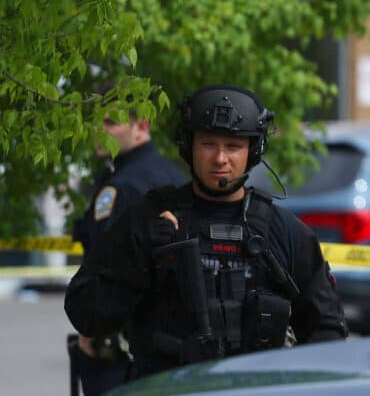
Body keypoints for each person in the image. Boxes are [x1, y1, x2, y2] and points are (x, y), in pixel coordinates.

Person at [65, 84, 348, 381]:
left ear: (253, 151)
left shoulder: (284, 231)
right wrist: (140, 258)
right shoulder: (147, 219)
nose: (220, 159)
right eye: (208, 144)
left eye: (233, 146)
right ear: (189, 146)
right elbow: (85, 312)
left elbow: (327, 329)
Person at [69, 89, 185, 396]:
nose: (99, 131)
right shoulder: (173, 175)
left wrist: (94, 336)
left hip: (124, 347)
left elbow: (108, 270)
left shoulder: (121, 187)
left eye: (110, 123)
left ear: (141, 127)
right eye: (95, 122)